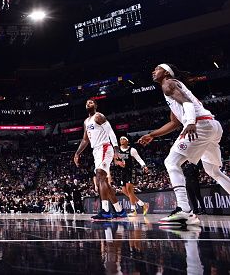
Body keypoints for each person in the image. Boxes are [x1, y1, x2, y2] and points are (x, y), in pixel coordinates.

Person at [138, 63, 230, 225]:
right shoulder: (171, 88)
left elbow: (187, 102)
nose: (153, 71)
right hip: (212, 126)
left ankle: (184, 210)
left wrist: (190, 121)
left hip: (200, 125)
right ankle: (185, 210)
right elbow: (173, 122)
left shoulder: (169, 83)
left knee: (171, 162)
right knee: (213, 170)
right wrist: (153, 134)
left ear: (166, 72)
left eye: (157, 68)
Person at [74, 99, 126, 220]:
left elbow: (110, 131)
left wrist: (116, 149)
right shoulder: (86, 121)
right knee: (102, 182)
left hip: (105, 147)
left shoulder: (99, 116)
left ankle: (106, 211)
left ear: (96, 106)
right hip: (96, 150)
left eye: (91, 102)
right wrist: (77, 153)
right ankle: (119, 210)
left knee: (100, 177)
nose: (88, 103)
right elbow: (85, 140)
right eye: (86, 102)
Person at [115, 136, 150, 216]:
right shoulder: (117, 150)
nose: (121, 140)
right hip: (122, 172)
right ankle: (142, 204)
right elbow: (116, 160)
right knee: (124, 191)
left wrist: (144, 166)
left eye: (123, 139)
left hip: (131, 171)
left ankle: (133, 210)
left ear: (127, 141)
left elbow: (139, 159)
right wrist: (118, 163)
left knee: (129, 190)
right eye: (120, 139)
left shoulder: (132, 150)